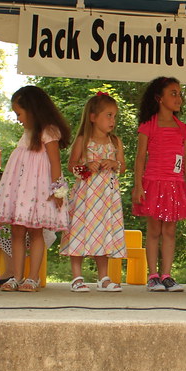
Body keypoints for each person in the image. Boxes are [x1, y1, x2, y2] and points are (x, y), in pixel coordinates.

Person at [0, 86, 71, 292]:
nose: (18, 119)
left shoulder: (49, 131)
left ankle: (32, 277)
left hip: (39, 191)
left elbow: (55, 163)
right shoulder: (26, 134)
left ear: (33, 109)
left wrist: (58, 190)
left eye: (19, 113)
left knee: (36, 232)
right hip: (20, 191)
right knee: (16, 231)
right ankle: (16, 276)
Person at [132, 77, 186, 292]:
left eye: (179, 93)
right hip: (153, 183)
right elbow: (140, 157)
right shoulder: (148, 126)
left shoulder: (182, 128)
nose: (179, 98)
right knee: (154, 230)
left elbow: (185, 158)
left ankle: (167, 274)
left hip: (175, 184)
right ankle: (153, 276)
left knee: (170, 230)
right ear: (159, 98)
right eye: (173, 93)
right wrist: (138, 185)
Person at [60, 92, 127, 292]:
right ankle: (77, 277)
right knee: (80, 230)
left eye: (114, 116)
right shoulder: (83, 140)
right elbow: (72, 165)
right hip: (86, 195)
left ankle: (103, 277)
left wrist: (114, 163)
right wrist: (87, 166)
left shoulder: (115, 142)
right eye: (108, 115)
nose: (112, 120)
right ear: (93, 117)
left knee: (103, 231)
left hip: (107, 196)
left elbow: (122, 167)